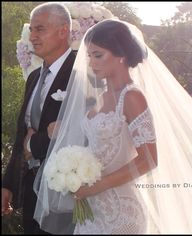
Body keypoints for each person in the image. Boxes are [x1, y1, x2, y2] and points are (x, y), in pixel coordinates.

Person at [33, 19, 192, 234]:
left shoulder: (131, 97)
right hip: (92, 211)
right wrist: (74, 172)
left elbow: (149, 159)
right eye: (89, 56)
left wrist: (97, 186)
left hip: (121, 212)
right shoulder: (100, 98)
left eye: (98, 55)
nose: (91, 63)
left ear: (121, 55)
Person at [2, 2, 77, 234]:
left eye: (40, 29)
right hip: (31, 193)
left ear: (63, 31)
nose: (32, 36)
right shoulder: (34, 77)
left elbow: (82, 132)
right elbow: (20, 135)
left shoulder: (82, 74)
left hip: (65, 198)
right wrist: (7, 184)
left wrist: (34, 144)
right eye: (32, 29)